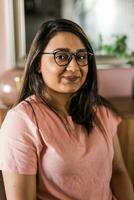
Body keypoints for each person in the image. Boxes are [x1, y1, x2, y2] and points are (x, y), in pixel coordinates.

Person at [0, 18, 133, 200]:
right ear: (38, 63)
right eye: (61, 56)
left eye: (81, 56)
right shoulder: (22, 121)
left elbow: (118, 172)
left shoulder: (100, 111)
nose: (74, 67)